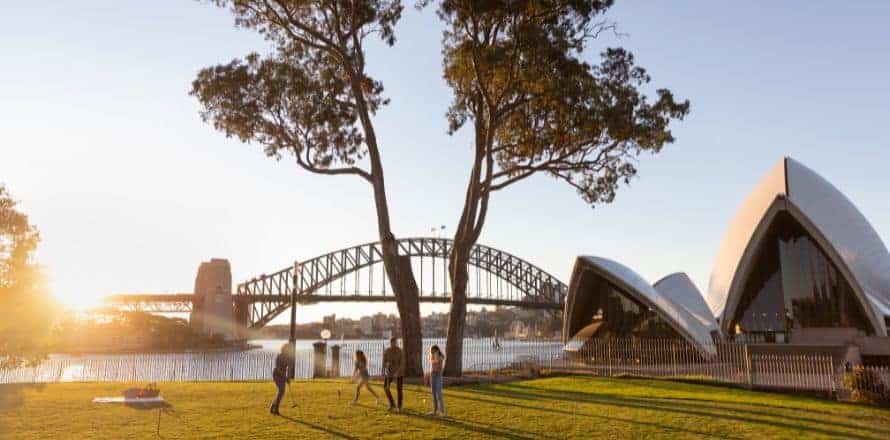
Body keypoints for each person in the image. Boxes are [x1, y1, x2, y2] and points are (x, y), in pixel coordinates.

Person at [270, 343, 293, 415]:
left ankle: (273, 406)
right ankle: (276, 408)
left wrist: (288, 378)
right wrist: (285, 377)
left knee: (281, 392)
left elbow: (289, 368)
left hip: (283, 375)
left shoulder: (289, 357)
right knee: (281, 390)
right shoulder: (279, 356)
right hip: (277, 374)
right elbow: (277, 368)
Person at [382, 337, 404, 412]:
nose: (394, 344)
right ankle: (392, 404)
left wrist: (397, 372)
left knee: (399, 389)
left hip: (399, 373)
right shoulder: (387, 351)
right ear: (390, 343)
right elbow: (384, 362)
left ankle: (400, 406)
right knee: (385, 387)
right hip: (390, 373)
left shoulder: (400, 351)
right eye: (392, 343)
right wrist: (386, 365)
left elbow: (402, 363)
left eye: (395, 343)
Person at [428, 345, 446, 417]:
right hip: (433, 375)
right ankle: (435, 410)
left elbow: (439, 366)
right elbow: (432, 366)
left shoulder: (440, 357)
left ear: (436, 350)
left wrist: (436, 356)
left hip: (438, 375)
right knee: (433, 394)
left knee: (439, 393)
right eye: (431, 350)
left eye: (433, 350)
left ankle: (442, 412)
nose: (432, 351)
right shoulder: (432, 357)